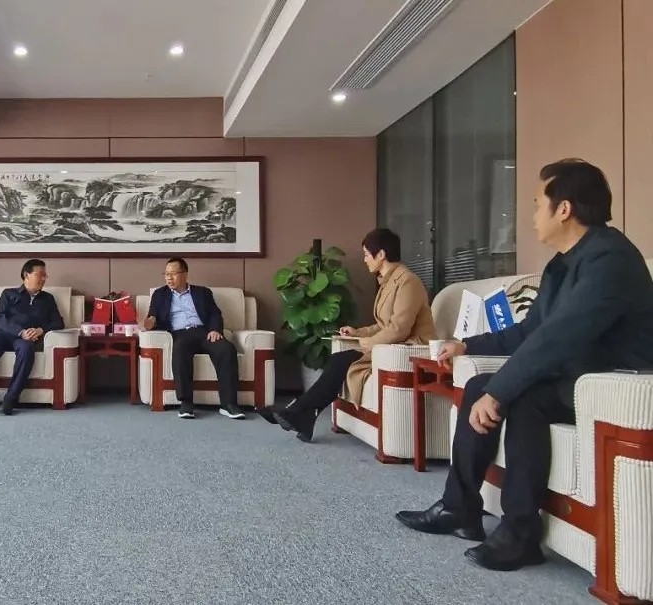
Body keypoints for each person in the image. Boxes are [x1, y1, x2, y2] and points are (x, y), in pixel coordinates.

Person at [396, 159, 653, 572]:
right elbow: (532, 331)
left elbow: (561, 336)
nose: (532, 215)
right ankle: (459, 509)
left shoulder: (611, 258)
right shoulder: (561, 265)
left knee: (523, 399)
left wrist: (502, 390)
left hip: (616, 386)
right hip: (576, 377)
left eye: (537, 204)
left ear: (563, 209)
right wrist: (467, 345)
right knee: (478, 386)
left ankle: (520, 533)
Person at [260, 228, 435, 441]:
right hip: (392, 344)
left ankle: (298, 411)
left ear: (381, 254)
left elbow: (399, 328)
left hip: (410, 348)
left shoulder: (408, 282)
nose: (364, 259)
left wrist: (367, 342)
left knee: (340, 361)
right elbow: (385, 325)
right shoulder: (388, 281)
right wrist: (357, 332)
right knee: (339, 360)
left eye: (366, 254)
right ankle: (303, 414)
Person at [143, 258, 245, 420]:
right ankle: (186, 403)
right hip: (180, 334)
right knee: (180, 349)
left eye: (173, 274)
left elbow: (214, 313)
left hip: (204, 332)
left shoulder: (203, 292)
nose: (169, 278)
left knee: (226, 349)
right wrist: (150, 322)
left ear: (185, 274)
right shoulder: (160, 294)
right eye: (166, 274)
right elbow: (153, 316)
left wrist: (215, 330)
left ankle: (229, 404)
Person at [0, 259, 65, 417]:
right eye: (40, 274)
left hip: (25, 340)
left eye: (45, 275)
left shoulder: (48, 299)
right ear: (26, 275)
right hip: (3, 334)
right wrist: (20, 332)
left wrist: (40, 330)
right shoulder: (9, 294)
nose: (44, 278)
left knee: (26, 349)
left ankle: (10, 399)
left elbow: (58, 322)